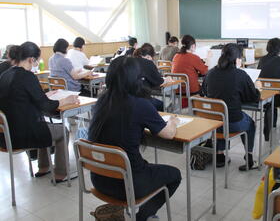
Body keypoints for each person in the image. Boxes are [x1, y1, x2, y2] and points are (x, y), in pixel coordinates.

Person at [88, 56, 181, 221]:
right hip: (129, 184)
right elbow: (169, 134)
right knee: (174, 175)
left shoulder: (101, 102)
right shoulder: (140, 104)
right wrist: (173, 120)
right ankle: (142, 216)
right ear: (137, 78)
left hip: (99, 178)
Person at [0, 41, 79, 182]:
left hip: (6, 134)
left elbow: (21, 98)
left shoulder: (5, 75)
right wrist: (65, 100)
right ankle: (61, 172)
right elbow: (46, 106)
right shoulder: (27, 76)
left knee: (44, 126)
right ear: (32, 59)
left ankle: (44, 166)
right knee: (62, 131)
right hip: (23, 133)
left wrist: (44, 96)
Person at [202, 43, 261, 170]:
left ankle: (220, 156)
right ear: (237, 59)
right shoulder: (240, 74)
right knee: (250, 124)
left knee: (221, 116)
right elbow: (253, 98)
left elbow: (205, 92)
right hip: (232, 122)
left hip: (213, 122)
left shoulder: (210, 73)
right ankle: (249, 158)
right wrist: (257, 88)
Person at [132, 43, 172, 111]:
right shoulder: (148, 63)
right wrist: (167, 79)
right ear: (148, 56)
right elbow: (159, 81)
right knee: (161, 105)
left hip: (125, 98)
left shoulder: (131, 61)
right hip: (141, 99)